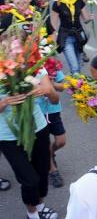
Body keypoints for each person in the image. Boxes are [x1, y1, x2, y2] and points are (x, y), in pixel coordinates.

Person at [0, 69, 60, 219]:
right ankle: (32, 214)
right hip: (8, 136)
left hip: (38, 128)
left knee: (42, 171)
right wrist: (4, 102)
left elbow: (54, 99)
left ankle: (40, 206)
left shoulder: (31, 63)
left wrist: (45, 90)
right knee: (29, 179)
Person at [50, 0, 93, 74]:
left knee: (78, 66)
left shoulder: (78, 1)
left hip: (79, 36)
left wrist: (90, 17)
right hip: (66, 37)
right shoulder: (57, 4)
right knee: (74, 68)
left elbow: (86, 19)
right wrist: (52, 42)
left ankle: (77, 87)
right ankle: (77, 86)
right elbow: (53, 25)